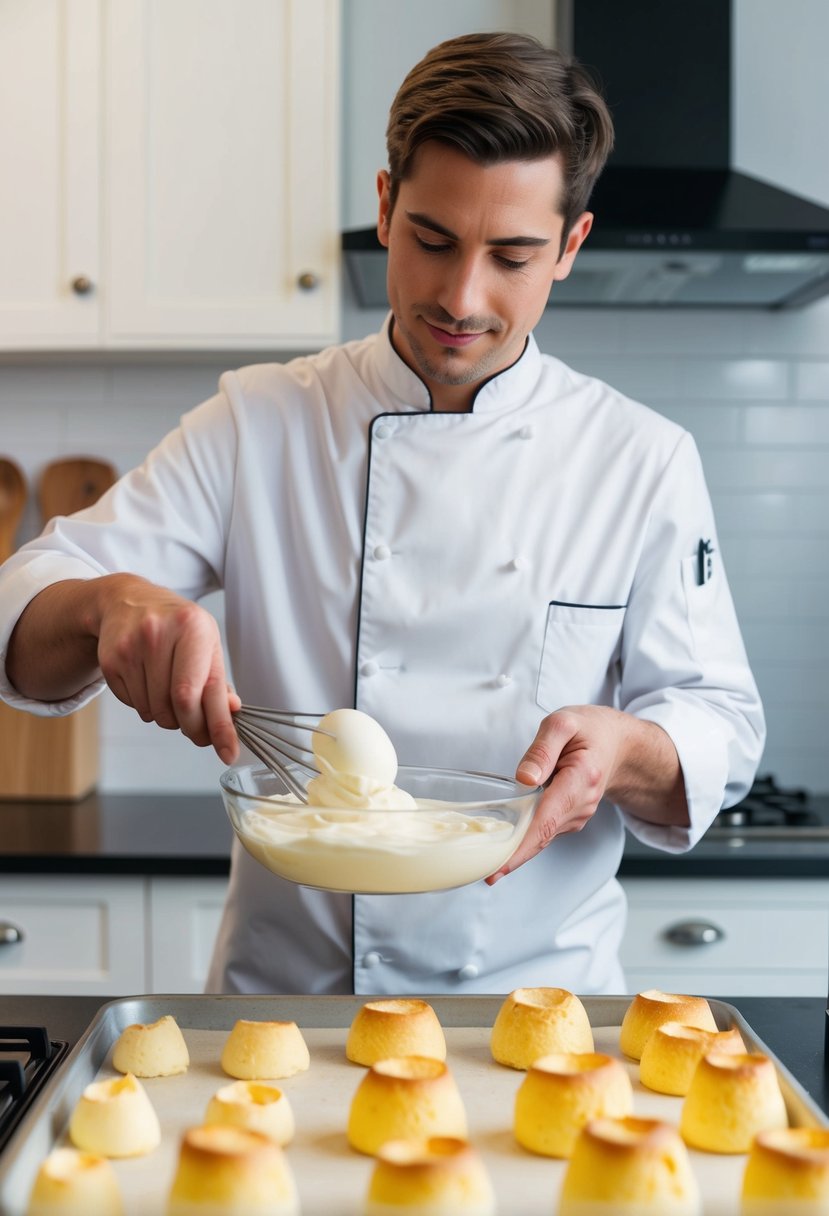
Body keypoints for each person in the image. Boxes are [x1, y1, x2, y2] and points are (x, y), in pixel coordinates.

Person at [0, 32, 764, 995]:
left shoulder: (640, 460)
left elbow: (718, 727)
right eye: (432, 240)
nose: (460, 296)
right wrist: (106, 603)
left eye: (513, 256)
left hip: (530, 1017)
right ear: (384, 207)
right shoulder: (260, 421)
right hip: (282, 1021)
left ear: (570, 246)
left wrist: (625, 750)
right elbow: (24, 606)